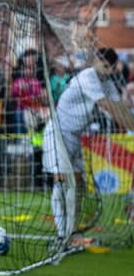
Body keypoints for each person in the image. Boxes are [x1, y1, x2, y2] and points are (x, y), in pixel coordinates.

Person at [43, 47, 134, 248]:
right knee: (63, 181)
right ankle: (62, 235)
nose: (108, 70)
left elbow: (120, 109)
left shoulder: (107, 82)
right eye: (105, 65)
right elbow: (107, 106)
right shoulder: (88, 76)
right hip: (58, 131)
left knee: (79, 186)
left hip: (75, 135)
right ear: (96, 61)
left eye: (111, 66)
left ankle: (71, 233)